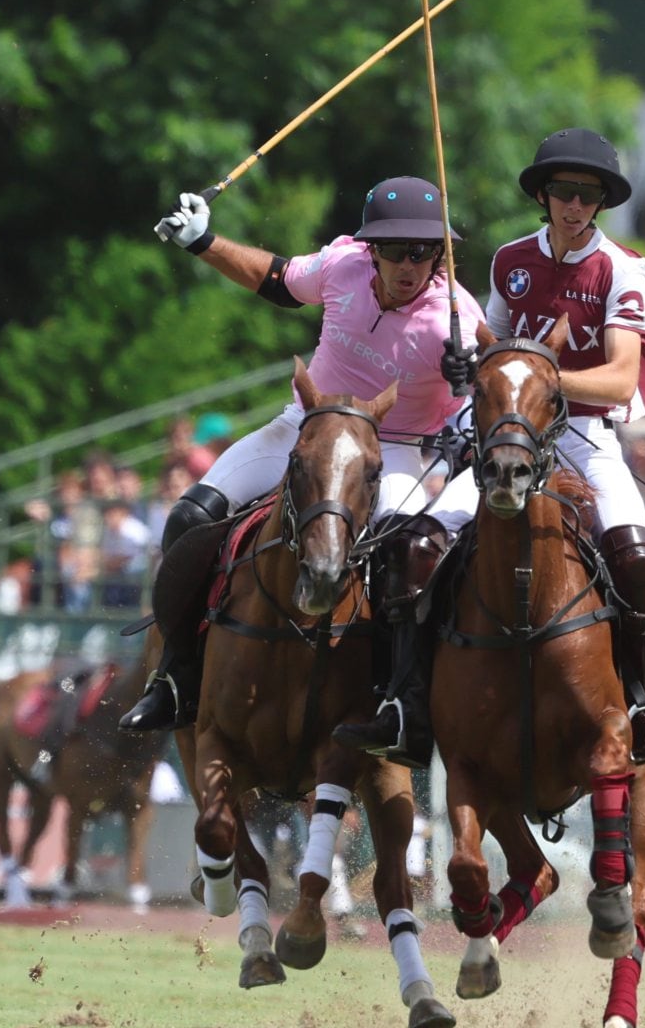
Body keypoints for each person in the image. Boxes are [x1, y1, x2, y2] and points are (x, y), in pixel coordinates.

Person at [359, 128, 645, 766]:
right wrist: (472, 369)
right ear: (544, 194)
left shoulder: (622, 269)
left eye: (588, 195)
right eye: (564, 191)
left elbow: (620, 375)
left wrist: (533, 381)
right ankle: (403, 701)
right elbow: (494, 345)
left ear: (600, 203)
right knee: (416, 545)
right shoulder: (510, 260)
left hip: (584, 438)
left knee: (640, 560)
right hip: (508, 436)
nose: (575, 204)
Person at [122, 175, 486, 750]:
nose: (410, 264)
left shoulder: (457, 317)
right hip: (305, 428)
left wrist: (473, 373)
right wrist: (202, 241)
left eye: (424, 251)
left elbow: (500, 381)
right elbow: (277, 280)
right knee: (188, 519)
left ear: (440, 253)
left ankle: (400, 702)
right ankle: (177, 674)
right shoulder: (342, 266)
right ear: (373, 250)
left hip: (389, 450)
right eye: (395, 250)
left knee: (406, 555)